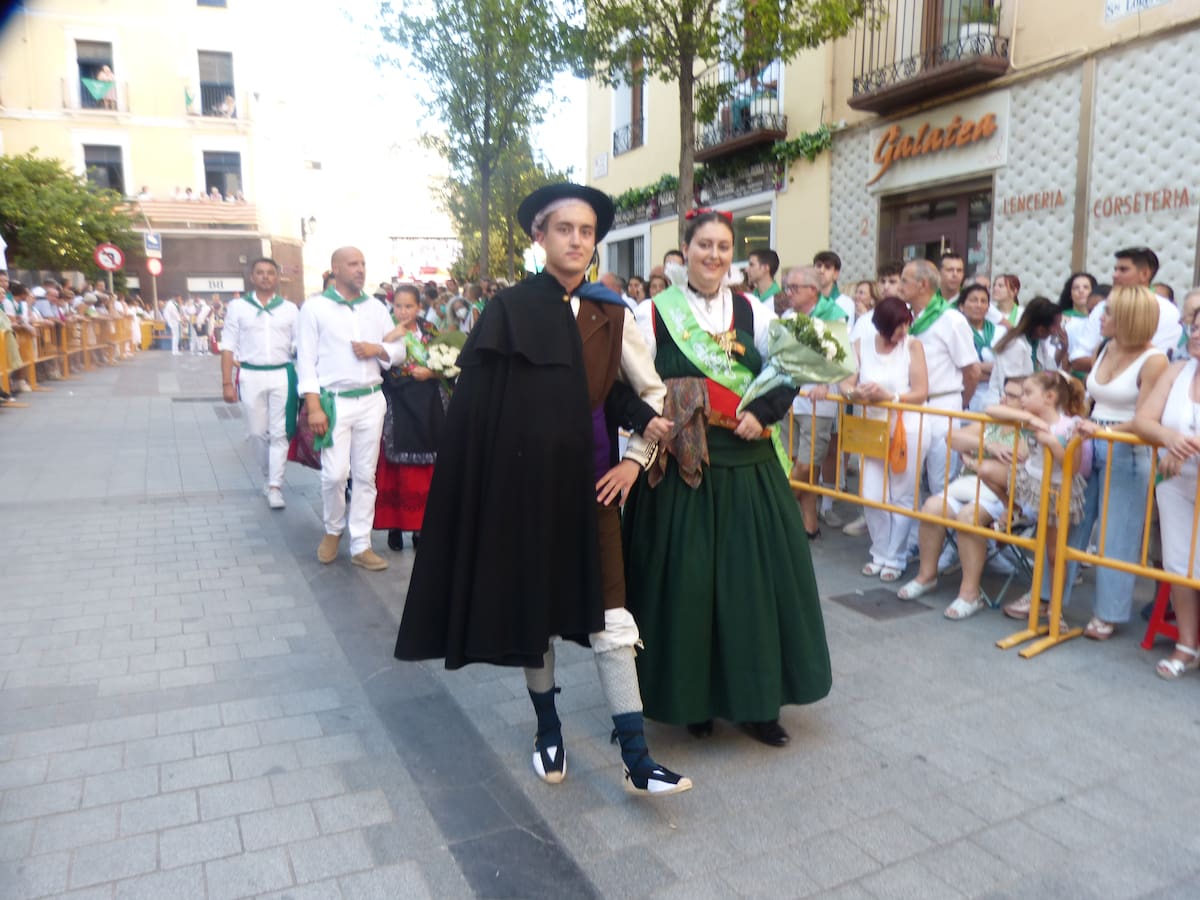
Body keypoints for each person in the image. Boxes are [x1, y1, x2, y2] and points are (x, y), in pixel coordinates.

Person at [395, 183, 691, 796]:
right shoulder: (508, 310)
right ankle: (548, 729)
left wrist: (634, 460)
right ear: (540, 236)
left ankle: (637, 759)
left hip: (594, 492)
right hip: (526, 493)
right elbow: (481, 406)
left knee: (613, 617)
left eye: (586, 231)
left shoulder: (613, 311)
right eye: (564, 229)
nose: (577, 241)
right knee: (537, 615)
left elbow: (630, 393)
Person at [623, 209, 832, 747]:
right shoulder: (652, 313)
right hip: (683, 468)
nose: (714, 255)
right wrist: (647, 424)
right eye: (704, 245)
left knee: (752, 587)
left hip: (747, 464)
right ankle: (695, 700)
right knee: (690, 587)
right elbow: (627, 384)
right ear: (685, 250)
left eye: (722, 246)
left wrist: (763, 412)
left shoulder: (753, 311)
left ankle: (758, 704)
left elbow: (792, 367)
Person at [1021, 286, 1168, 636]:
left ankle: (1109, 612)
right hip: (1087, 440)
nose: (1099, 317)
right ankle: (1045, 596)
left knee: (1118, 534)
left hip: (1127, 449)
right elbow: (1092, 399)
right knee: (1069, 521)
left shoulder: (1155, 360)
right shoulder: (1106, 347)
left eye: (1108, 312)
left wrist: (1103, 430)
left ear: (1129, 318)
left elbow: (1148, 416)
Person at [296, 247, 403, 571]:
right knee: (334, 474)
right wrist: (313, 406)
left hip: (371, 398)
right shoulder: (315, 308)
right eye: (352, 264)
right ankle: (333, 529)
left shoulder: (376, 308)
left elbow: (398, 350)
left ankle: (361, 544)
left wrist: (377, 349)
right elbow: (306, 361)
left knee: (365, 475)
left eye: (363, 263)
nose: (360, 269)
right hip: (333, 402)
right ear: (335, 268)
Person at [898, 376, 1030, 618]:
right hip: (968, 486)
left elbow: (1008, 469)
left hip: (1002, 497)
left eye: (1011, 396)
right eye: (1004, 393)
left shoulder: (1029, 432)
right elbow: (952, 437)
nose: (1003, 398)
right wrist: (988, 446)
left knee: (968, 517)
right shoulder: (991, 423)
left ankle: (970, 593)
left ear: (1026, 401)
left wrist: (973, 460)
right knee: (932, 507)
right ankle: (926, 576)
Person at [1131, 306, 1200, 677]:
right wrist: (1171, 439)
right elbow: (1143, 420)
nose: (1195, 334)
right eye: (1194, 327)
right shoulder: (1177, 370)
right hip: (1174, 482)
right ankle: (1186, 645)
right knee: (1178, 564)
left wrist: (1188, 447)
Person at [843, 297, 928, 582]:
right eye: (897, 327)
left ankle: (895, 556)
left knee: (902, 495)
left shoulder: (913, 346)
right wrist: (854, 393)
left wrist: (889, 397)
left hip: (907, 426)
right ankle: (879, 550)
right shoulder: (861, 344)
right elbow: (845, 384)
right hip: (872, 426)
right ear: (882, 326)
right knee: (871, 493)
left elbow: (921, 392)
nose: (903, 332)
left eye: (906, 325)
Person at [897, 259, 981, 549]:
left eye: (905, 280)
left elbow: (972, 370)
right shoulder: (909, 318)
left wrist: (960, 402)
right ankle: (915, 541)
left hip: (943, 405)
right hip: (914, 406)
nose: (900, 286)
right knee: (911, 479)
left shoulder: (951, 319)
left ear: (923, 285)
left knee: (939, 481)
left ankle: (946, 547)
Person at [219, 258, 298, 510]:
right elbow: (228, 345)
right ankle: (267, 474)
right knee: (256, 433)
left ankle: (275, 485)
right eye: (260, 273)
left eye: (270, 273)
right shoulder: (238, 307)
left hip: (282, 374)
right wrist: (227, 383)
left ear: (277, 277)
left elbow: (301, 344)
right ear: (252, 277)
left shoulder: (290, 309)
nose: (265, 277)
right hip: (250, 374)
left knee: (279, 433)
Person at [374, 285, 447, 551]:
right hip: (398, 402)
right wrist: (389, 338)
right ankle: (394, 525)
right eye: (399, 306)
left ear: (419, 307)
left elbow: (446, 363)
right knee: (396, 468)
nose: (403, 311)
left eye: (409, 306)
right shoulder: (386, 330)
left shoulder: (430, 331)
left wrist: (432, 373)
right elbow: (375, 363)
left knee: (427, 467)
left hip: (428, 403)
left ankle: (420, 526)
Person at [782, 266, 839, 539]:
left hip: (818, 403)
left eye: (794, 288)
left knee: (806, 465)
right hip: (791, 398)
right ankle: (809, 524)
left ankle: (777, 508)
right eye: (787, 288)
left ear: (813, 290)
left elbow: (842, 358)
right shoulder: (787, 316)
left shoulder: (834, 315)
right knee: (798, 464)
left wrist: (825, 383)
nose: (788, 293)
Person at [1074, 247, 1181, 360]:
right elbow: (1078, 356)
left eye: (1123, 270)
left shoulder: (1165, 310)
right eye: (1115, 269)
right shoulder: (1102, 306)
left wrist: (1109, 361)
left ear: (1144, 274)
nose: (1115, 275)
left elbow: (1157, 358)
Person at [987, 298, 1068, 405]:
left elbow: (1050, 372)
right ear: (1040, 329)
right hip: (1005, 403)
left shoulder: (1038, 343)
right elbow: (1012, 385)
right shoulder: (1015, 344)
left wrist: (1063, 350)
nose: (1058, 330)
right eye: (1055, 326)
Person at [957, 284, 1000, 411]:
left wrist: (974, 368)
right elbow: (957, 370)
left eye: (983, 301)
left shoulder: (1001, 332)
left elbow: (1006, 369)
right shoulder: (956, 332)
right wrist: (992, 371)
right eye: (973, 300)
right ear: (961, 306)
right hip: (965, 399)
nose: (979, 305)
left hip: (994, 399)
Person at [1058, 271, 1098, 373]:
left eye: (1086, 287)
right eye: (1076, 288)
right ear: (1070, 294)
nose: (1081, 291)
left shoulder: (1100, 319)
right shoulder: (1061, 319)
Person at [813, 250, 853, 320]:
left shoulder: (845, 303)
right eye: (819, 266)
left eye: (827, 267)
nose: (821, 270)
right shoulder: (806, 300)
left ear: (836, 274)